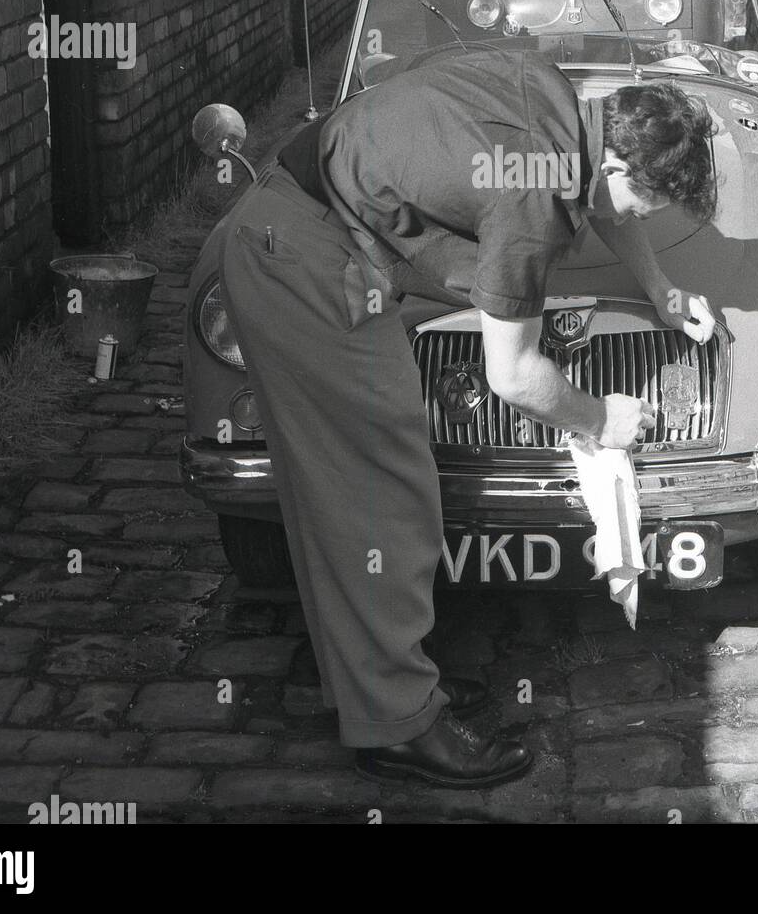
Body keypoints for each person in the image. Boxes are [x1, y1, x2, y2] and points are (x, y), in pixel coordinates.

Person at [218, 50, 718, 788]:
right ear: (616, 165)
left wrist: (663, 291)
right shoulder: (532, 196)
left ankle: (383, 688)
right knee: (377, 497)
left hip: (309, 227)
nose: (641, 219)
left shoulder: (564, 107)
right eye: (647, 203)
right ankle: (397, 729)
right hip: (304, 259)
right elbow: (512, 376)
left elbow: (609, 208)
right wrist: (599, 417)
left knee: (346, 494)